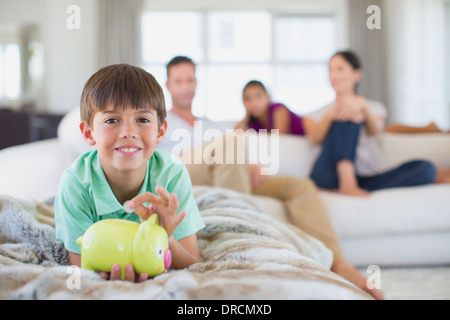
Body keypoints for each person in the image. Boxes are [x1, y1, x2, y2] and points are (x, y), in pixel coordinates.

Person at [158, 56, 383, 299]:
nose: (185, 86)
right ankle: (246, 253)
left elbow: (230, 150)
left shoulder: (210, 124)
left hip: (227, 176)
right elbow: (161, 164)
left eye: (190, 80)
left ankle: (338, 263)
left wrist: (248, 163)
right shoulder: (163, 123)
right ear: (168, 85)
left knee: (298, 186)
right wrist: (227, 149)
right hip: (186, 176)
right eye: (178, 81)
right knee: (230, 144)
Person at [54, 64, 205, 282]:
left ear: (161, 130)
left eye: (142, 120)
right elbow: (81, 268)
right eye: (111, 120)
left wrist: (166, 236)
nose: (128, 133)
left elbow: (193, 263)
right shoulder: (75, 183)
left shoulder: (173, 174)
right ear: (89, 133)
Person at [303, 51, 437, 197]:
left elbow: (375, 131)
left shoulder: (374, 108)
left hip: (367, 177)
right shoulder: (316, 114)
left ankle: (353, 185)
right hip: (328, 176)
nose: (333, 75)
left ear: (357, 74)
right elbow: (315, 138)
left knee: (427, 169)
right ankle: (348, 184)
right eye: (330, 69)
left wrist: (363, 108)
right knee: (349, 112)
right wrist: (332, 114)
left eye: (340, 69)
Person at [235, 80, 305, 135]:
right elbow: (236, 133)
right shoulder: (253, 122)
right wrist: (247, 116)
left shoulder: (279, 109)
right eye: (248, 98)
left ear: (268, 96)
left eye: (258, 96)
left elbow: (279, 135)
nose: (254, 103)